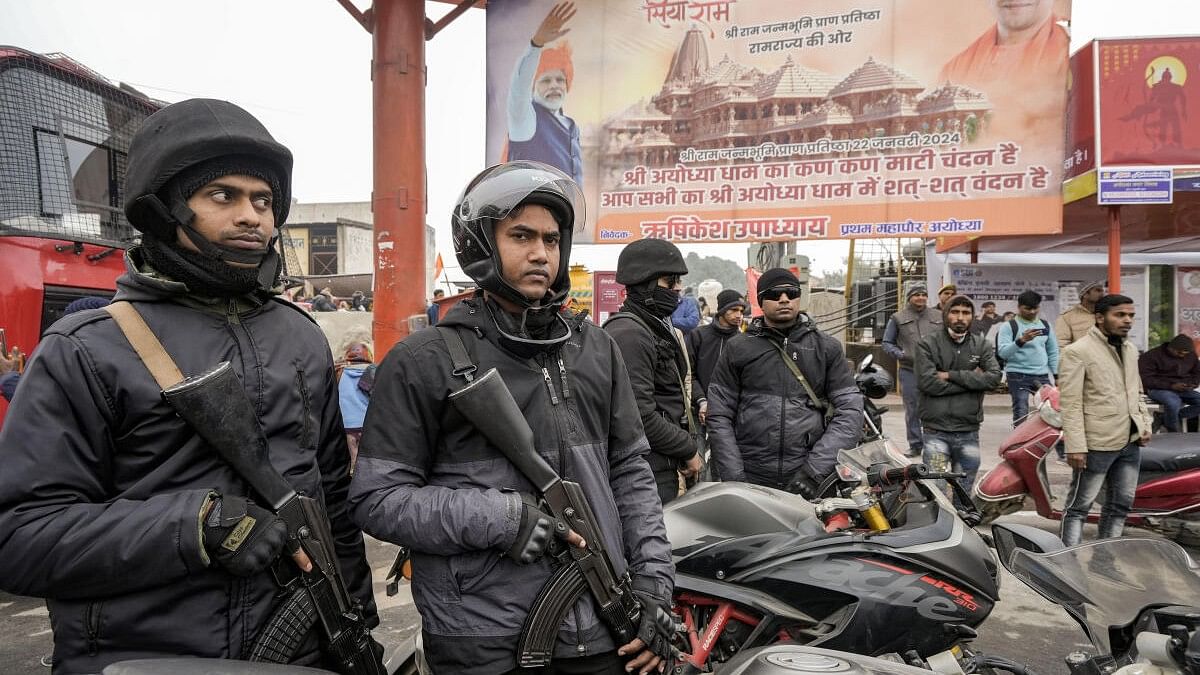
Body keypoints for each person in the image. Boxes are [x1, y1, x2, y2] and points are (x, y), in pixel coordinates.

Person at [0, 99, 378, 673]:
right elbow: (19, 537)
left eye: (264, 200)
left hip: (303, 653)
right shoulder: (86, 347)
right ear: (164, 210)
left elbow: (333, 508)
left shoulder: (301, 337)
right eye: (223, 195)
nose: (252, 215)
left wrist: (358, 621)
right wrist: (196, 527)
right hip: (146, 661)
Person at [348, 161, 677, 675]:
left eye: (551, 238)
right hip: (479, 632)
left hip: (602, 619)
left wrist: (656, 587)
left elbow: (631, 475)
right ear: (482, 243)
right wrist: (503, 520)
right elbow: (377, 500)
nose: (541, 253)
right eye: (521, 235)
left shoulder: (596, 348)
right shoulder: (424, 360)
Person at [706, 269, 863, 492]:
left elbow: (850, 412)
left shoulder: (826, 348)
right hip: (750, 474)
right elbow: (719, 414)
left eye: (791, 293)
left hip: (811, 477)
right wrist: (734, 475)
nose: (784, 299)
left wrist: (814, 472)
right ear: (761, 300)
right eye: (774, 294)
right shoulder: (738, 348)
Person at [606, 238, 704, 505]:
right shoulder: (630, 334)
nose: (677, 289)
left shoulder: (651, 327)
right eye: (670, 282)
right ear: (645, 284)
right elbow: (639, 416)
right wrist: (687, 448)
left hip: (659, 464)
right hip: (643, 472)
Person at [1058, 294, 1153, 546]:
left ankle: (1106, 558)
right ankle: (1067, 561)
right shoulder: (1077, 352)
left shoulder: (1130, 349)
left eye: (1130, 315)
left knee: (1121, 504)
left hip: (1130, 441)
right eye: (1119, 315)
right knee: (1079, 507)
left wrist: (1144, 423)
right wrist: (1075, 445)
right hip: (1096, 443)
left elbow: (1137, 391)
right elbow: (1071, 403)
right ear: (1100, 318)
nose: (1127, 320)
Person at [914, 296, 1002, 503]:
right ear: (946, 314)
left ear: (972, 317)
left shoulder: (982, 345)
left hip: (968, 431)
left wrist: (951, 375)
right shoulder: (927, 344)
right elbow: (928, 383)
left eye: (966, 313)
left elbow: (994, 379)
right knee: (936, 494)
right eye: (955, 312)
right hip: (936, 431)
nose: (960, 318)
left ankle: (963, 532)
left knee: (964, 496)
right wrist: (973, 380)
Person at [506, 2, 582, 185]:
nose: (554, 86)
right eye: (546, 80)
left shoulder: (571, 126)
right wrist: (536, 45)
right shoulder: (524, 118)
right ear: (533, 86)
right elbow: (519, 87)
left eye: (560, 80)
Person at [882, 282, 943, 457]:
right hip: (909, 370)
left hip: (934, 370)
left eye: (924, 294)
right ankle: (916, 445)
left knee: (935, 407)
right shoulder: (898, 318)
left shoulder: (938, 315)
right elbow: (887, 343)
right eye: (917, 294)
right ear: (910, 297)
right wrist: (900, 354)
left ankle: (934, 443)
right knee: (913, 409)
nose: (921, 298)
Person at [997, 290, 1059, 425]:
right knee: (1021, 411)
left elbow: (1053, 351)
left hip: (1042, 375)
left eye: (1035, 308)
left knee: (1052, 411)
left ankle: (1057, 445)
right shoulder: (1009, 326)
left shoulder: (1046, 325)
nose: (1032, 312)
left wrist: (1057, 375)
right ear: (1019, 307)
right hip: (1018, 375)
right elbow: (1003, 353)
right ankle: (1021, 444)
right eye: (1027, 308)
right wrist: (1021, 340)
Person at [685, 289, 748, 420]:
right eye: (734, 310)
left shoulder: (743, 341)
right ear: (722, 310)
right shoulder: (698, 336)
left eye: (742, 311)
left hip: (731, 413)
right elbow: (689, 373)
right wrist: (702, 401)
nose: (739, 315)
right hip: (698, 408)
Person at [1140, 334, 1200, 433]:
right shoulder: (1152, 356)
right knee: (1173, 402)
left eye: (1186, 353)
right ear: (1171, 348)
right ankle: (1173, 430)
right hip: (1158, 388)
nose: (1183, 355)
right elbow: (1145, 379)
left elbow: (1197, 372)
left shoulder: (1190, 355)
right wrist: (1170, 386)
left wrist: (1193, 383)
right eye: (1180, 353)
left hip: (1182, 387)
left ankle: (1165, 419)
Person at [338, 341, 375, 474]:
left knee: (354, 459)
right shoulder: (372, 371)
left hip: (348, 426)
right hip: (366, 423)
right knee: (370, 460)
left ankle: (354, 473)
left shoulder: (340, 372)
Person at [1055, 280, 1105, 348]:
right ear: (1085, 294)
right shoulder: (1067, 317)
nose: (1102, 294)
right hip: (1082, 357)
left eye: (1102, 291)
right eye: (1098, 290)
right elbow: (1061, 343)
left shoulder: (1107, 313)